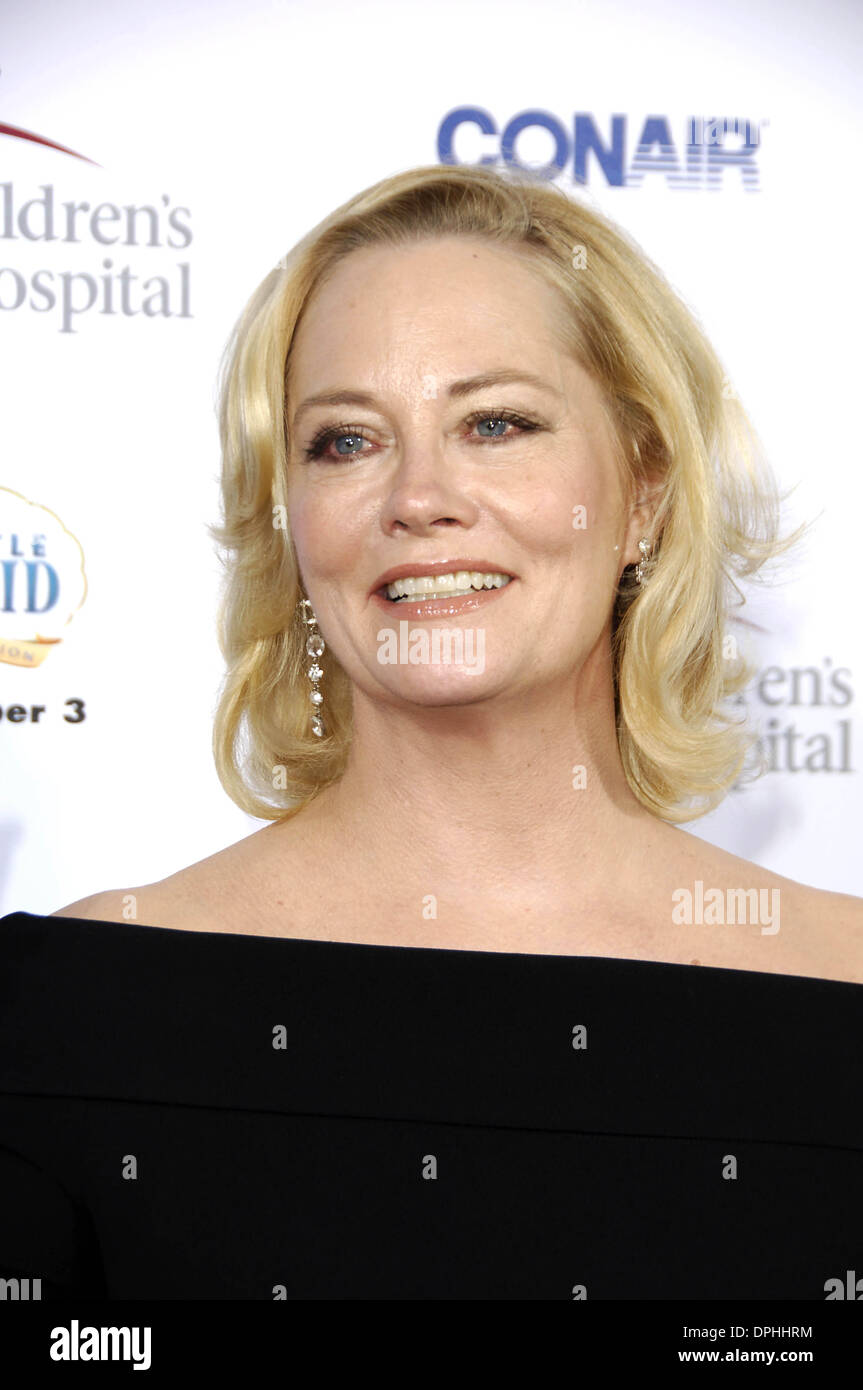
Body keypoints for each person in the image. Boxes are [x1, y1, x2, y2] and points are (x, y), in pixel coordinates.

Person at [1, 163, 861, 1301]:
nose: (417, 497)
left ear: (644, 492)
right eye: (344, 442)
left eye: (495, 423)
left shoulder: (839, 988)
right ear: (289, 523)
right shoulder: (70, 1011)